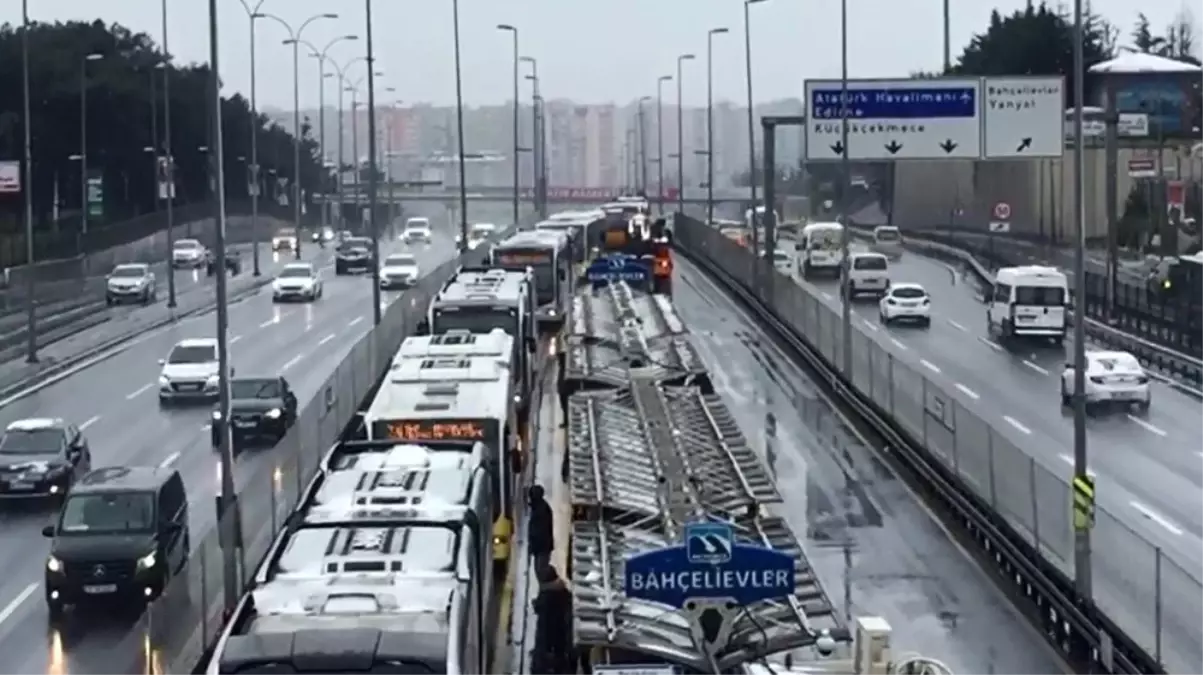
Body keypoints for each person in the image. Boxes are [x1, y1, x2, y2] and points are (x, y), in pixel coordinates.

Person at [533, 564, 573, 674]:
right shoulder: (563, 592)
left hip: (548, 632)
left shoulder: (545, 595)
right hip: (560, 631)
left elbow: (539, 609)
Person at [527, 484, 554, 572]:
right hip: (541, 548)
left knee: (541, 570)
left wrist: (532, 546)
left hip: (542, 548)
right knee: (539, 570)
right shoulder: (540, 507)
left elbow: (538, 532)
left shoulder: (541, 510)